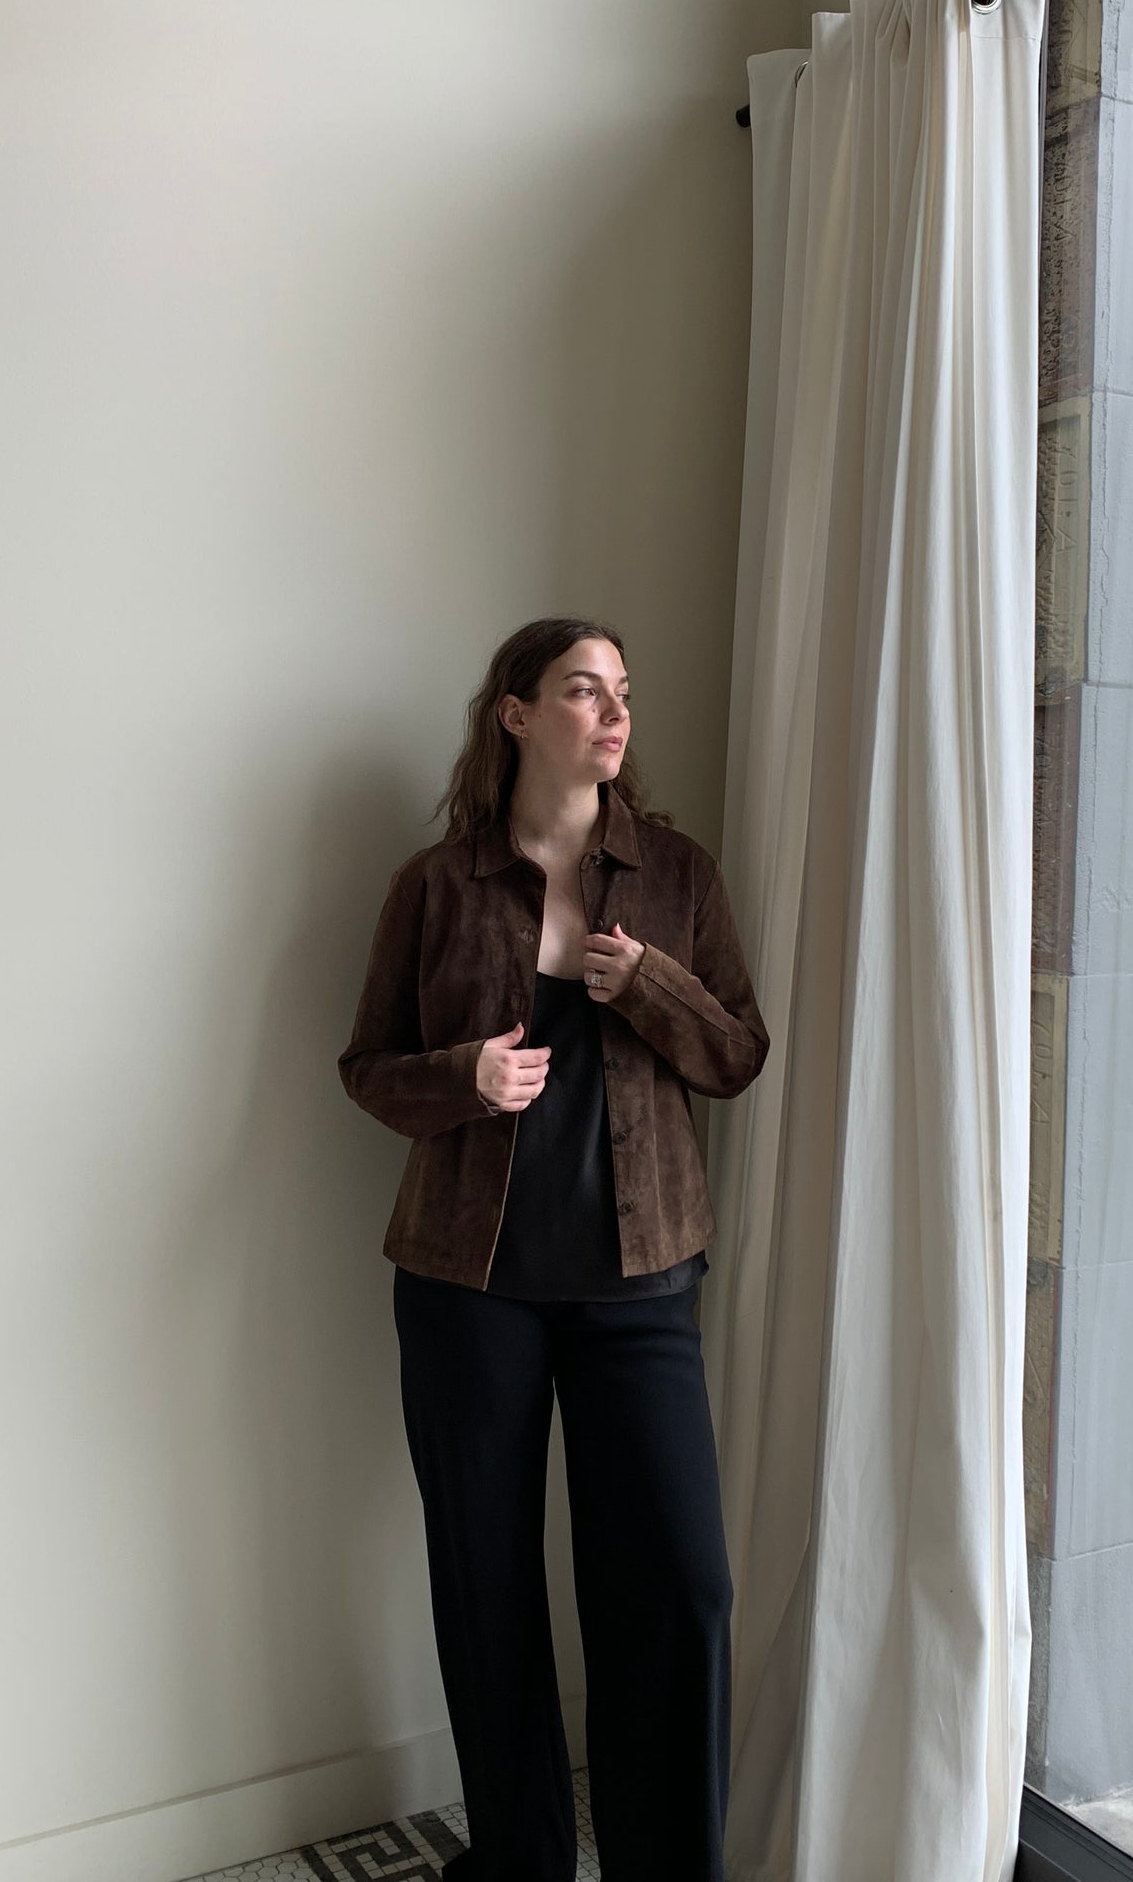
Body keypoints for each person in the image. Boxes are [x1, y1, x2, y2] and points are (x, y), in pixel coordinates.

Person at [339, 615, 770, 1882]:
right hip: (468, 1289)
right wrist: (462, 1074)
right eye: (585, 688)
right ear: (517, 713)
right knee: (487, 1588)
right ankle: (519, 1859)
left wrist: (647, 982)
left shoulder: (674, 872)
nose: (615, 711)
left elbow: (737, 1052)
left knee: (680, 1587)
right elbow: (365, 1067)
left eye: (624, 691)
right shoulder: (436, 884)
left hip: (642, 1284)